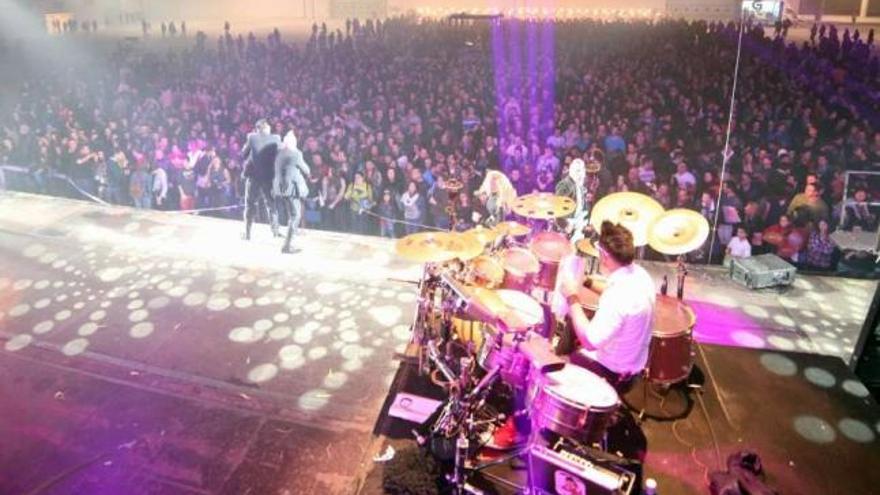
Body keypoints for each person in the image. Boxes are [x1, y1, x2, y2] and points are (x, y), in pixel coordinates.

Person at [558, 221, 656, 392]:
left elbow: (590, 342)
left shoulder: (619, 296)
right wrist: (587, 281)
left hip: (611, 372)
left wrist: (572, 297)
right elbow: (613, 293)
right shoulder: (640, 275)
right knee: (574, 324)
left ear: (604, 256)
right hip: (633, 365)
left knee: (554, 368)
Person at [240, 119, 280, 240]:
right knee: (271, 204)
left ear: (257, 129)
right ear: (266, 128)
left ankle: (247, 233)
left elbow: (244, 154)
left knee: (250, 204)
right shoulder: (276, 138)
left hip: (254, 176)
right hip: (268, 177)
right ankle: (275, 231)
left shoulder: (252, 137)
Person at [273, 131, 311, 253]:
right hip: (291, 189)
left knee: (292, 215)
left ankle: (289, 242)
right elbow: (306, 169)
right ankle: (288, 245)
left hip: (281, 188)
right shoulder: (296, 153)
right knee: (296, 215)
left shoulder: (279, 154)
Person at [556, 158, 588, 239]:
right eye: (578, 171)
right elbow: (557, 208)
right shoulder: (565, 185)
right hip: (568, 225)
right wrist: (565, 225)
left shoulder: (580, 185)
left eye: (582, 170)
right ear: (571, 171)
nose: (581, 174)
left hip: (578, 223)